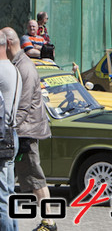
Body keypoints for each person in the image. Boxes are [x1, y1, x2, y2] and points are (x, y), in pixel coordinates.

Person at [3, 28, 52, 231]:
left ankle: (49, 222)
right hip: (22, 131)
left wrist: (9, 129)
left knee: (36, 180)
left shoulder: (24, 67)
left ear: (7, 44)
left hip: (26, 133)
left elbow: (21, 107)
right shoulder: (17, 64)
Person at [0, 31, 21, 231]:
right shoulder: (15, 69)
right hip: (12, 134)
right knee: (9, 193)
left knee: (1, 199)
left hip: (1, 137)